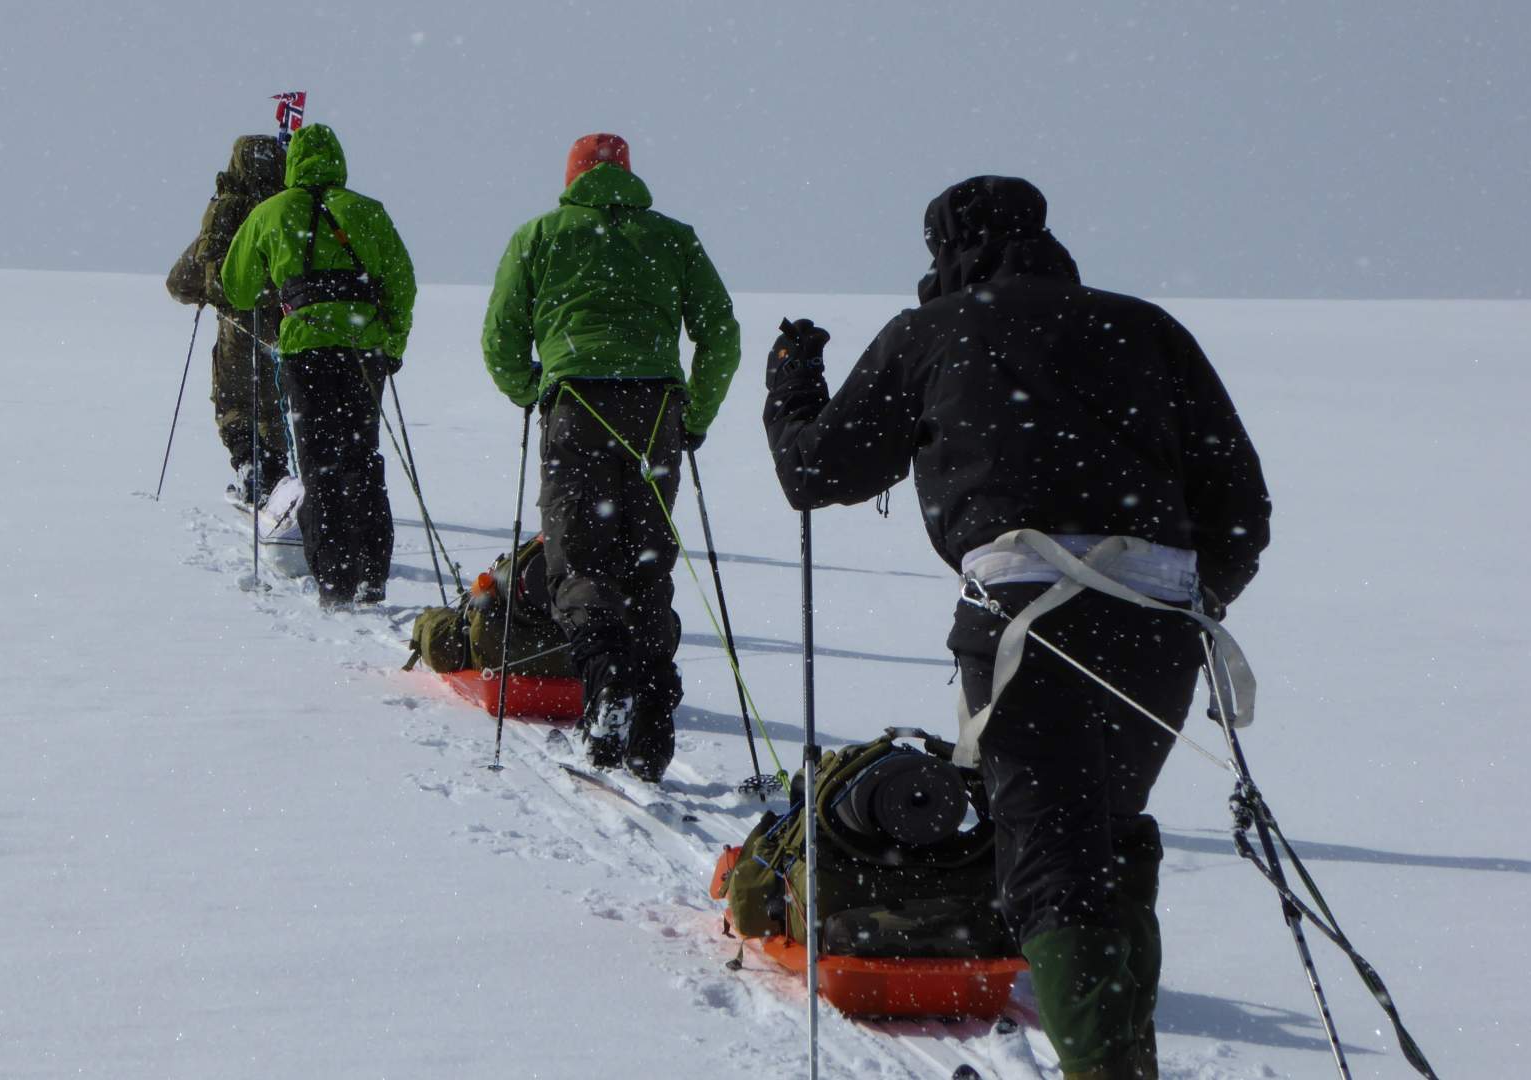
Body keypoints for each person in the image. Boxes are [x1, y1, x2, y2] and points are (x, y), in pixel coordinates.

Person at [764, 176, 1270, 1079]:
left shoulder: (934, 331)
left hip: (1022, 620)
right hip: (1158, 629)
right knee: (1108, 838)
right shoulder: (1144, 326)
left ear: (946, 250)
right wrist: (1197, 598)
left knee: (1047, 864)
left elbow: (815, 472)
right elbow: (1240, 505)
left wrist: (792, 389)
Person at [481, 133, 741, 782]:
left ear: (571, 178)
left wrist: (531, 389)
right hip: (656, 416)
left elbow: (500, 335)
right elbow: (721, 335)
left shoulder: (539, 235)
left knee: (580, 560)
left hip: (576, 405)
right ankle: (651, 729)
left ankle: (607, 692)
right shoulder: (674, 238)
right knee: (646, 562)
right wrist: (694, 417)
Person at [219, 123, 416, 607]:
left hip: (306, 348)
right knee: (363, 459)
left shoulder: (271, 213)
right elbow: (401, 284)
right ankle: (372, 574)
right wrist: (391, 344)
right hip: (363, 348)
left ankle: (334, 579)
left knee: (318, 463)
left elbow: (236, 286)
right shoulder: (367, 211)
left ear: (293, 164)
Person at [165, 134, 290, 505]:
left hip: (237, 321)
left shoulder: (225, 208)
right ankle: (278, 475)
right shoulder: (288, 208)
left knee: (234, 399)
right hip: (283, 325)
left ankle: (249, 465)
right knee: (274, 402)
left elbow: (180, 281)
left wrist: (205, 288)